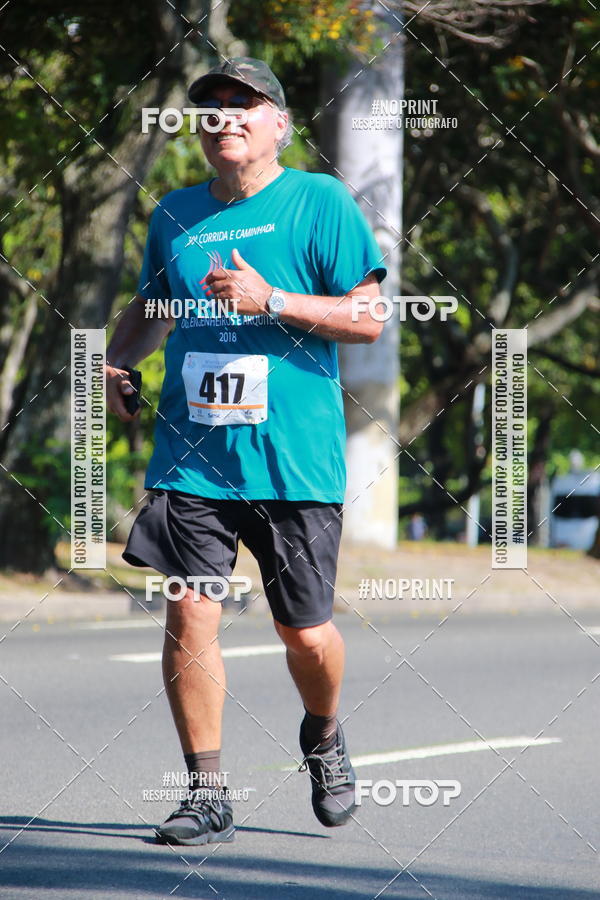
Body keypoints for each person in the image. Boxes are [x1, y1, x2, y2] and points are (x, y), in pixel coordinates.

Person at [105, 57, 386, 846]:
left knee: (305, 634)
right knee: (191, 606)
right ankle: (206, 792)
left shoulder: (320, 203)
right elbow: (151, 305)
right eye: (212, 106)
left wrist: (273, 301)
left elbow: (369, 319)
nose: (226, 115)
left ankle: (324, 735)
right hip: (194, 459)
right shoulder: (175, 213)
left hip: (294, 461)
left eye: (245, 103)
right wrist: (118, 362)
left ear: (279, 125)